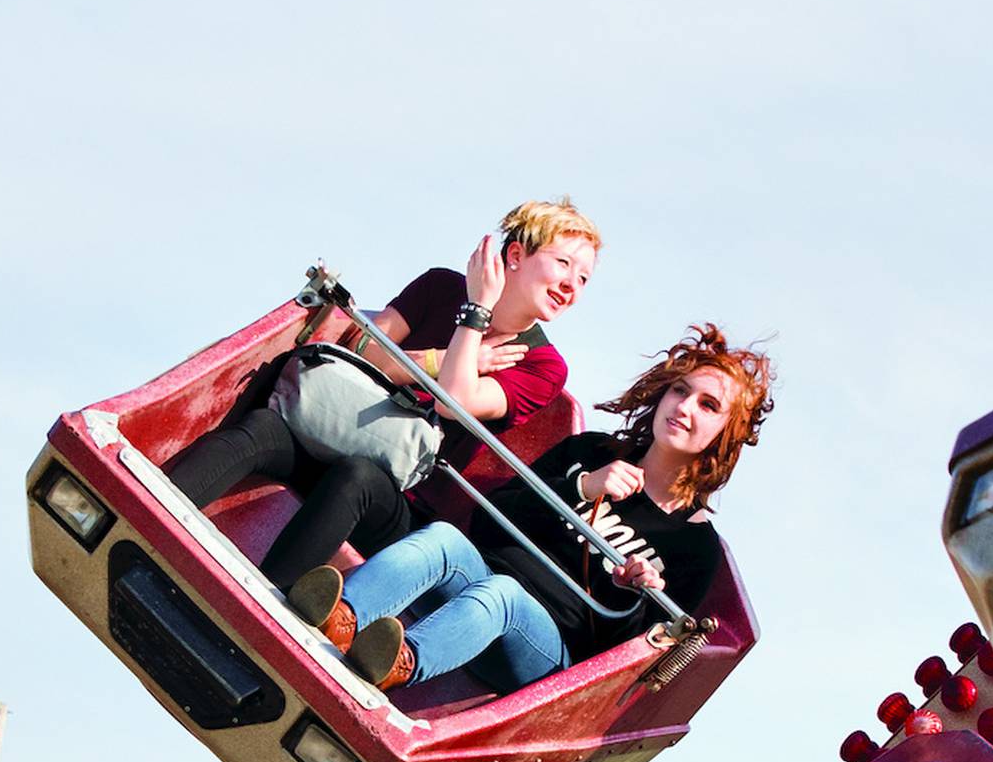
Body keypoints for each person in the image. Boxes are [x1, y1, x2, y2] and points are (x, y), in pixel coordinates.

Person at [286, 325, 774, 693]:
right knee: (445, 539)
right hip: (476, 581)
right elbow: (491, 517)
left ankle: (393, 661)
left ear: (725, 435)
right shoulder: (591, 452)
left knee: (504, 593)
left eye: (709, 406)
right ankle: (338, 616)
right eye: (681, 390)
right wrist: (581, 487)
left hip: (544, 650)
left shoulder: (694, 546)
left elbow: (622, 661)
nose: (685, 408)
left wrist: (636, 591)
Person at [164, 197, 601, 592]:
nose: (572, 286)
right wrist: (441, 356)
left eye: (583, 279)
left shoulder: (544, 366)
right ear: (516, 255)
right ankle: (157, 519)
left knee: (355, 478)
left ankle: (259, 602)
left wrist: (477, 314)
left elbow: (454, 401)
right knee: (261, 427)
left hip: (390, 489)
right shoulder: (439, 287)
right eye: (563, 264)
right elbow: (364, 351)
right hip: (331, 427)